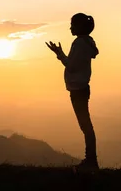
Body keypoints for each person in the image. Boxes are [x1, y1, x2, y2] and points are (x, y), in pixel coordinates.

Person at [46, 13, 100, 170]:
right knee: (86, 126)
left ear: (80, 26)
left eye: (73, 25)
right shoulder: (87, 42)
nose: (70, 27)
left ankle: (91, 161)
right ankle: (91, 160)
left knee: (86, 126)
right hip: (82, 89)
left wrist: (59, 54)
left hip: (78, 90)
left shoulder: (80, 43)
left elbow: (71, 66)